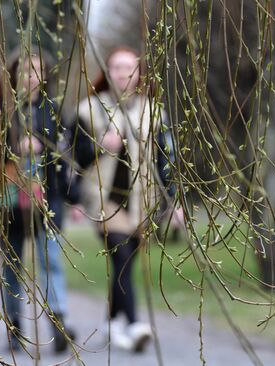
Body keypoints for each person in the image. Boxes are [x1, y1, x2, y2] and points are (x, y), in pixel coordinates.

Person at [68, 46, 184, 352]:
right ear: (107, 72)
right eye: (117, 67)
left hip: (141, 201)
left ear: (138, 74)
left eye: (129, 68)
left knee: (126, 262)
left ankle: (112, 320)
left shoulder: (153, 112)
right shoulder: (88, 109)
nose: (123, 73)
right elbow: (72, 158)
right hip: (103, 198)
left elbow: (164, 160)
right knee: (120, 254)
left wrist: (173, 202)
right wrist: (100, 146)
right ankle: (133, 324)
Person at [0, 46, 75, 353]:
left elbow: (65, 155)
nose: (31, 78)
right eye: (25, 71)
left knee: (51, 261)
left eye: (37, 71)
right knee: (12, 265)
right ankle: (14, 324)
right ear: (13, 75)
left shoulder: (53, 110)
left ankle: (58, 322)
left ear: (45, 76)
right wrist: (10, 147)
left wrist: (44, 146)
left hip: (47, 202)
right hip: (7, 202)